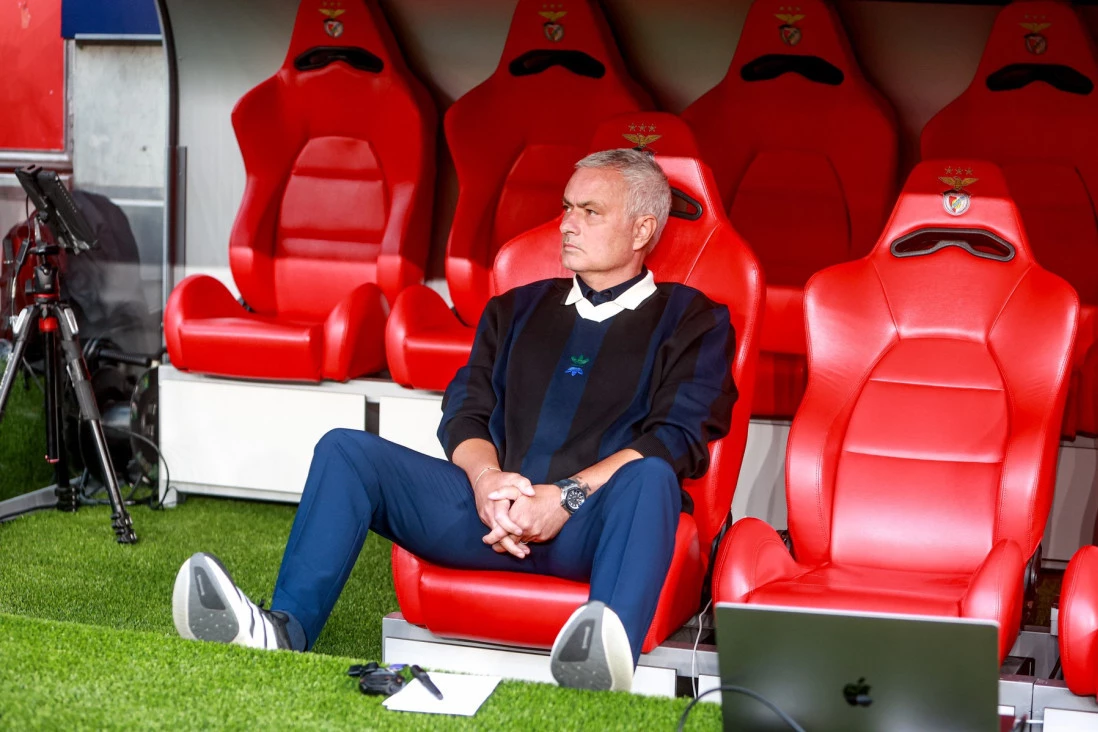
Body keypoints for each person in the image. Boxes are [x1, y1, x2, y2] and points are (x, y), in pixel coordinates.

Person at [171, 148, 737, 693]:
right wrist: (487, 482)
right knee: (346, 449)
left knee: (651, 477)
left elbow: (676, 439)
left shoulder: (696, 320)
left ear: (642, 231)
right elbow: (465, 411)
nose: (567, 224)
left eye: (590, 212)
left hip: (591, 528)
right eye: (567, 207)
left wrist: (563, 498)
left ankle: (600, 663)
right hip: (488, 520)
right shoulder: (515, 308)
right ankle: (281, 632)